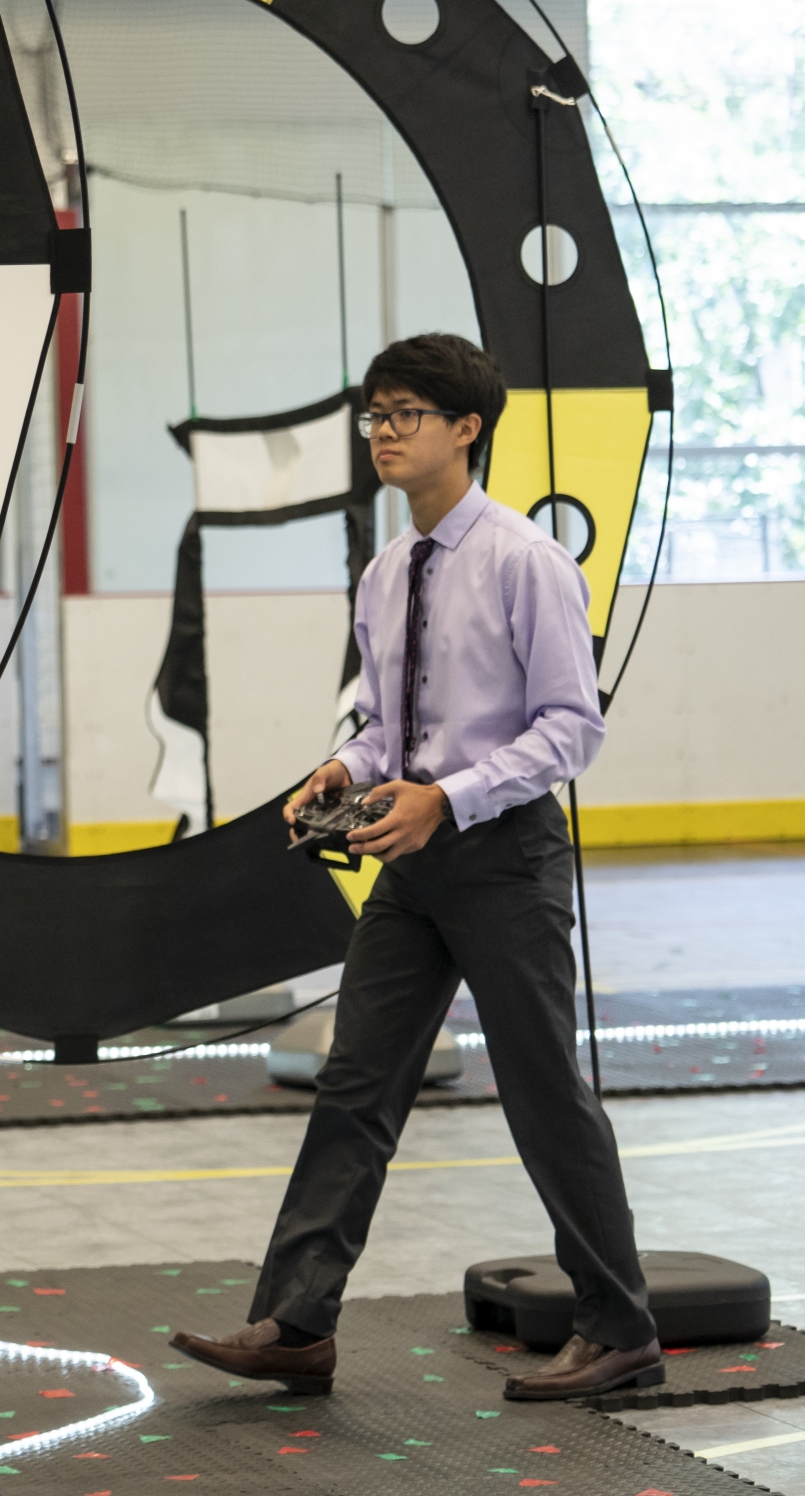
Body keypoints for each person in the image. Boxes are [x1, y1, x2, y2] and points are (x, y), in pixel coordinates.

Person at [168, 333, 660, 1403]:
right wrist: (343, 765)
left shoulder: (525, 560)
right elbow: (383, 721)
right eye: (374, 416)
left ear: (465, 428)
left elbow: (571, 728)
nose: (384, 433)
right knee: (354, 1084)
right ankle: (296, 1322)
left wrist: (454, 797)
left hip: (504, 856)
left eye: (405, 413)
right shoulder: (388, 570)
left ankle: (619, 1325)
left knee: (541, 1091)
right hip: (412, 860)